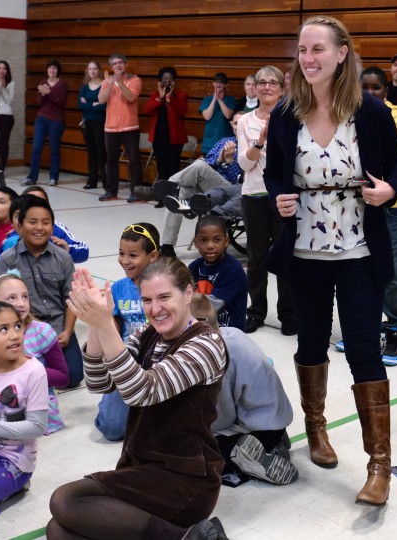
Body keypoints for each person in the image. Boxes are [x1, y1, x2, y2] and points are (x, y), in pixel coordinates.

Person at [264, 16, 397, 505]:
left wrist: (389, 189)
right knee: (311, 341)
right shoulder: (286, 112)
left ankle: (379, 466)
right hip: (305, 250)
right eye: (302, 50)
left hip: (358, 250)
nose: (308, 58)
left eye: (318, 48)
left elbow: (396, 166)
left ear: (342, 53)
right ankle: (316, 429)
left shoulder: (370, 111)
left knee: (365, 349)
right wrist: (281, 195)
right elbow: (274, 171)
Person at [48, 260, 228, 540]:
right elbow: (99, 382)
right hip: (143, 467)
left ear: (188, 293)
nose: (155, 309)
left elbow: (142, 391)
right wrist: (97, 322)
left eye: (164, 297)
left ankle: (183, 537)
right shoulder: (149, 335)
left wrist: (105, 323)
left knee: (65, 500)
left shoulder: (207, 344)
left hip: (185, 478)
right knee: (59, 531)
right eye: (146, 299)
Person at [190, 293, 298, 486]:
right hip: (274, 420)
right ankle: (271, 446)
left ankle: (244, 454)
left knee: (193, 459)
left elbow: (221, 419)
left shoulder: (214, 359)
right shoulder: (232, 333)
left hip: (256, 429)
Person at [358, 66, 397, 365]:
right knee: (363, 271)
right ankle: (367, 328)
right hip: (359, 206)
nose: (370, 94)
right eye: (364, 88)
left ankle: (395, 328)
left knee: (394, 271)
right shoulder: (349, 113)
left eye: (376, 88)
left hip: (393, 206)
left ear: (386, 91)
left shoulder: (396, 117)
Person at [0, 196, 82, 389]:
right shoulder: (7, 259)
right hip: (23, 327)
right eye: (32, 222)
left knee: (74, 376)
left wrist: (67, 332)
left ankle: (32, 373)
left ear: (52, 226)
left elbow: (71, 298)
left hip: (57, 327)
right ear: (20, 226)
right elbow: (1, 305)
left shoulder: (63, 258)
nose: (39, 228)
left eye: (46, 222)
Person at [238, 65, 296, 336]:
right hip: (254, 196)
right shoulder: (245, 121)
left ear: (281, 89)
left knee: (285, 256)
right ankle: (256, 311)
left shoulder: (292, 117)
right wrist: (260, 140)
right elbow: (243, 163)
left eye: (272, 83)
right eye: (261, 82)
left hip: (282, 196)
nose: (267, 87)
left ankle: (288, 314)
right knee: (257, 257)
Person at [137, 112, 243, 257]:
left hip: (230, 190)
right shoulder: (223, 142)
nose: (239, 126)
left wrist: (228, 162)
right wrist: (220, 160)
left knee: (198, 166)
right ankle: (167, 246)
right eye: (236, 123)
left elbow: (241, 181)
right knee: (176, 195)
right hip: (208, 184)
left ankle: (159, 190)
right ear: (232, 125)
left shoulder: (248, 146)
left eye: (242, 123)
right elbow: (209, 163)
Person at [94, 222, 160, 442]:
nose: (124, 260)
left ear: (152, 256)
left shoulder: (164, 286)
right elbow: (111, 330)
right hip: (126, 361)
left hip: (157, 361)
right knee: (111, 429)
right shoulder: (118, 288)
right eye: (121, 253)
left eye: (133, 255)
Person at [0, 301, 48, 524]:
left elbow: (37, 427)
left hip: (14, 460)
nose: (15, 335)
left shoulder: (33, 371)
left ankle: (16, 485)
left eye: (18, 326)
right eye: (3, 329)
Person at [0, 272, 68, 435]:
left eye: (25, 297)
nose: (21, 303)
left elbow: (63, 377)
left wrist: (24, 367)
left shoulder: (41, 332)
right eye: (11, 298)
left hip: (36, 417)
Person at [189, 215, 248, 330]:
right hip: (202, 328)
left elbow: (212, 304)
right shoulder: (195, 266)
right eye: (203, 240)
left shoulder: (232, 269)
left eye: (217, 240)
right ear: (195, 243)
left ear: (226, 241)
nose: (210, 246)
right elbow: (180, 289)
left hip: (228, 331)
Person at [98, 53, 143, 203]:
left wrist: (119, 83)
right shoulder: (107, 81)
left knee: (134, 160)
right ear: (111, 67)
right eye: (115, 64)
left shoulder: (134, 80)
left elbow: (131, 97)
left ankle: (137, 192)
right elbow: (101, 99)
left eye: (120, 63)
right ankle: (111, 191)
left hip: (130, 127)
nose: (118, 65)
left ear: (125, 64)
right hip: (110, 128)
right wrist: (111, 83)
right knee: (111, 161)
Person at [24, 59, 67, 187]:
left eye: (54, 68)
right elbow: (40, 103)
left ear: (57, 70)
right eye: (50, 68)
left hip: (56, 120)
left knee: (54, 149)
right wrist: (43, 94)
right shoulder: (43, 82)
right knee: (36, 148)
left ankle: (53, 177)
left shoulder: (62, 84)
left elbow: (61, 103)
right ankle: (32, 177)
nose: (52, 70)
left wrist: (49, 93)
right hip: (41, 118)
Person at [144, 67, 188, 182]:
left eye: (170, 78)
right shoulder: (155, 95)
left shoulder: (180, 95)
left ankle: (173, 194)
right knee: (161, 167)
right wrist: (160, 98)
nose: (167, 81)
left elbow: (182, 112)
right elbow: (147, 110)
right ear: (160, 81)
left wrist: (171, 97)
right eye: (164, 78)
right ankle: (162, 194)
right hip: (158, 137)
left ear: (174, 81)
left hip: (175, 138)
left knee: (173, 166)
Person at [78, 61, 107, 190]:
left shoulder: (104, 85)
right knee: (91, 152)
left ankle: (106, 181)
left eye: (95, 68)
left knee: (101, 152)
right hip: (87, 122)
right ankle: (92, 180)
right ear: (87, 71)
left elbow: (105, 105)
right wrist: (94, 104)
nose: (93, 71)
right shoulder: (84, 87)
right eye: (90, 69)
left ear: (99, 70)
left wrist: (89, 104)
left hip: (100, 122)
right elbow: (80, 104)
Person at [199, 72, 236, 155]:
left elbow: (228, 115)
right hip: (209, 143)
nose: (218, 84)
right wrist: (214, 99)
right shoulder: (207, 99)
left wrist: (219, 100)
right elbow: (207, 117)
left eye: (221, 82)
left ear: (226, 85)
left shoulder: (231, 99)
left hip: (225, 142)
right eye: (216, 82)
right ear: (213, 83)